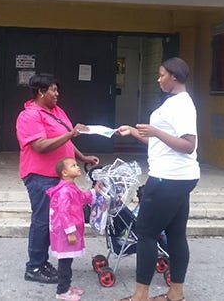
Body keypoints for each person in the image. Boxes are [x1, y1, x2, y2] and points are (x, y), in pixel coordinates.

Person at [115, 57, 199, 301]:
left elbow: (188, 145)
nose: (158, 79)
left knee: (146, 233)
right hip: (179, 178)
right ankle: (176, 294)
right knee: (176, 233)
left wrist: (155, 131)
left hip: (167, 179)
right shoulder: (174, 102)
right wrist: (134, 132)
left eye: (162, 75)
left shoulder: (181, 105)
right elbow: (161, 144)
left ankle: (140, 296)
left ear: (174, 76)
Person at [16, 73, 100, 284]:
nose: (57, 94)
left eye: (57, 90)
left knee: (52, 222)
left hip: (59, 177)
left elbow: (65, 140)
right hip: (40, 176)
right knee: (42, 221)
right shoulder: (29, 116)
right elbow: (40, 146)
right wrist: (70, 134)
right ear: (40, 92)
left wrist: (82, 157)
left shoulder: (56, 111)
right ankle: (34, 267)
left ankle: (42, 262)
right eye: (53, 90)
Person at [46, 157, 102, 300]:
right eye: (73, 165)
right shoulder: (65, 191)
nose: (77, 167)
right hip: (64, 232)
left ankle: (66, 286)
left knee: (67, 260)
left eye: (76, 165)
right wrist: (70, 232)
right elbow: (63, 213)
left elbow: (81, 197)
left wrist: (94, 191)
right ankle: (62, 291)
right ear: (64, 173)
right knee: (65, 262)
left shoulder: (71, 187)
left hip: (67, 230)